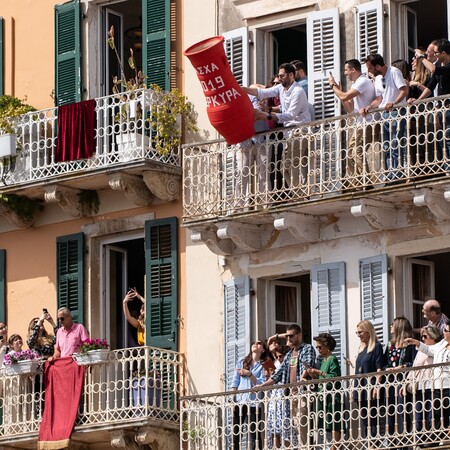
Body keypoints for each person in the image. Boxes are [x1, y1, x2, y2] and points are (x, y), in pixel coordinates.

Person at [243, 63, 312, 198]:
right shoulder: (281, 88)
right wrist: (242, 89)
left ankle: (301, 195)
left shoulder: (298, 91)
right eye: (279, 76)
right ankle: (299, 194)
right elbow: (262, 92)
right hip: (291, 133)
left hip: (300, 131)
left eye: (282, 76)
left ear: (291, 75)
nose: (279, 78)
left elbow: (290, 114)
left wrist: (266, 116)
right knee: (287, 166)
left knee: (291, 165)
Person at [262, 324, 316, 447]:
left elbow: (308, 364)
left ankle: (306, 448)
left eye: (291, 336)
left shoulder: (307, 348)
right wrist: (263, 385)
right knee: (296, 426)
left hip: (303, 392)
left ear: (299, 335)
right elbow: (278, 374)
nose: (289, 339)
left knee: (303, 424)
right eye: (287, 336)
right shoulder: (289, 354)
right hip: (291, 395)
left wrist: (303, 377)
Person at [329, 59, 376, 189]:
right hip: (362, 123)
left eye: (346, 70)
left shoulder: (362, 81)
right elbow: (350, 108)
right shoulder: (357, 84)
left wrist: (333, 86)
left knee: (356, 150)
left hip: (369, 122)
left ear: (353, 69)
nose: (345, 73)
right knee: (351, 152)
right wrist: (339, 91)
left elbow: (344, 97)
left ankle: (365, 182)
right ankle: (359, 182)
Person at [363, 53, 408, 181]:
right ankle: (390, 176)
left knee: (395, 143)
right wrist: (369, 107)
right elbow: (379, 99)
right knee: (386, 146)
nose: (369, 71)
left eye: (370, 68)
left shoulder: (394, 72)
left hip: (397, 112)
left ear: (377, 66)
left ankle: (397, 174)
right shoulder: (377, 79)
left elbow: (404, 90)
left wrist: (394, 102)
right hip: (384, 114)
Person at [405, 321, 450, 434]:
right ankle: (438, 437)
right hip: (438, 385)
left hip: (449, 384)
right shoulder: (441, 344)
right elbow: (429, 350)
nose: (443, 332)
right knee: (437, 414)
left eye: (446, 330)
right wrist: (416, 342)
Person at [401, 325, 441, 442]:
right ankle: (418, 442)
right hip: (419, 387)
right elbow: (415, 367)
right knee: (418, 417)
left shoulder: (437, 349)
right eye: (422, 336)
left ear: (433, 337)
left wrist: (416, 342)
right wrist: (406, 382)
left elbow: (430, 352)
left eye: (425, 336)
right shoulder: (420, 351)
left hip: (432, 387)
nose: (423, 339)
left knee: (431, 416)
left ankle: (432, 441)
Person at [305, 333, 342, 450]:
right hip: (324, 396)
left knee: (334, 422)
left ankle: (335, 447)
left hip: (332, 397)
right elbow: (321, 381)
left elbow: (334, 378)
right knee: (327, 423)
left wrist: (319, 372)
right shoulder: (323, 361)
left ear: (327, 346)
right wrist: (313, 376)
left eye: (320, 347)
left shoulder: (332, 359)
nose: (318, 350)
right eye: (317, 347)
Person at [383, 317, 417, 440]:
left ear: (399, 327)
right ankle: (392, 441)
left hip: (404, 382)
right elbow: (384, 363)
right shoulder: (390, 345)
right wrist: (387, 369)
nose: (391, 327)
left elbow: (414, 362)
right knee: (390, 411)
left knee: (403, 411)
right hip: (391, 382)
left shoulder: (410, 345)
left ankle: (405, 439)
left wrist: (402, 367)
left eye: (393, 325)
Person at [230, 339, 267, 450]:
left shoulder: (264, 365)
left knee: (254, 434)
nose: (256, 344)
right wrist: (232, 400)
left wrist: (249, 374)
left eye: (259, 343)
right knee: (236, 433)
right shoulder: (242, 361)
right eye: (254, 343)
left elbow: (262, 384)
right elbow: (234, 382)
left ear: (263, 349)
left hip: (254, 403)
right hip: (240, 402)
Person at [354, 320, 386, 440]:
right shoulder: (361, 348)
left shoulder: (376, 347)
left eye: (360, 332)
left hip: (370, 387)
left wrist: (377, 386)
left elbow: (379, 368)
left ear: (368, 332)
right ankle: (366, 441)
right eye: (357, 333)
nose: (359, 335)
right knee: (364, 418)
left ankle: (373, 442)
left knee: (373, 417)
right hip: (360, 387)